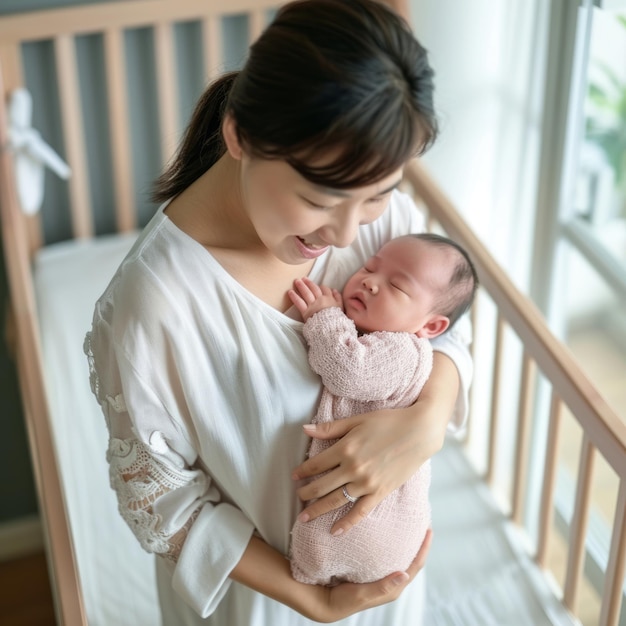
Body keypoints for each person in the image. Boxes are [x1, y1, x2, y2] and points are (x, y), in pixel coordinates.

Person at [83, 0, 473, 624]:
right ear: (240, 134)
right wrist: (312, 601)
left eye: (378, 195)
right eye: (320, 199)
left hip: (388, 591)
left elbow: (444, 325)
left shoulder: (386, 231)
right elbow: (165, 502)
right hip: (268, 604)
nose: (348, 235)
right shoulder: (156, 307)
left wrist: (427, 420)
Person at [288, 233, 478, 587]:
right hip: (383, 533)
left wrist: (325, 316)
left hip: (379, 529)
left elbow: (347, 370)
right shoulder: (380, 336)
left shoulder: (406, 352)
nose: (371, 282)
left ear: (431, 327)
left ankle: (309, 571)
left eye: (397, 286)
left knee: (323, 536)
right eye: (370, 267)